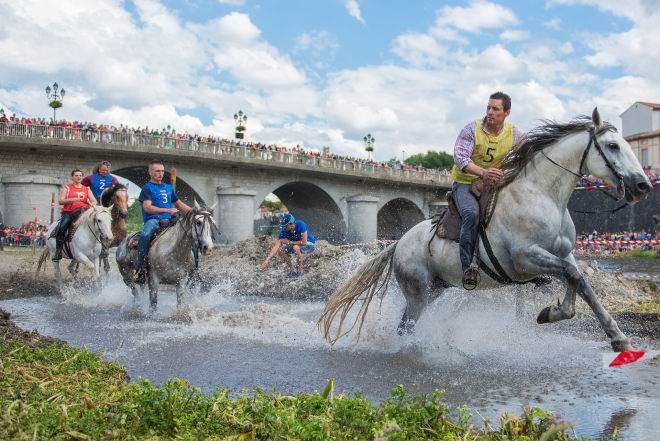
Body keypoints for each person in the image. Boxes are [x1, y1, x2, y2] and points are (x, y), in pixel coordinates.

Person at [450, 92, 524, 287]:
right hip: (465, 183)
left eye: (495, 109)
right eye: (488, 107)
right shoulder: (471, 129)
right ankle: (468, 266)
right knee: (471, 214)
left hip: (494, 183)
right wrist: (483, 173)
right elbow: (461, 159)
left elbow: (526, 156)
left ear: (507, 112)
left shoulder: (515, 134)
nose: (490, 112)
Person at [132, 159, 190, 284]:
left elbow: (179, 203)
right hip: (153, 220)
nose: (161, 174)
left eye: (162, 171)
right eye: (157, 171)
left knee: (189, 235)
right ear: (150, 172)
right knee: (145, 235)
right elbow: (147, 207)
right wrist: (166, 210)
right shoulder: (147, 188)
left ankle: (193, 269)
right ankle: (141, 268)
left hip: (170, 221)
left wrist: (195, 212)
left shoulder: (168, 188)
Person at [54, 169, 98, 260]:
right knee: (61, 227)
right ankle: (58, 251)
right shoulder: (67, 188)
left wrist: (92, 204)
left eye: (80, 175)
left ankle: (101, 247)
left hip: (83, 213)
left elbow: (94, 201)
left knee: (98, 224)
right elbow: (61, 201)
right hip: (69, 212)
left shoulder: (86, 189)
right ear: (72, 177)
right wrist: (71, 199)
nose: (78, 177)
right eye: (76, 175)